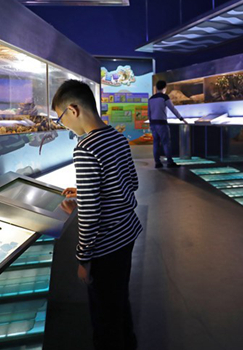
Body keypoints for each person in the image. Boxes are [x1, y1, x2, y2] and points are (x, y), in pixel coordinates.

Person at [53, 79, 142, 350]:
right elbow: (131, 183)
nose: (64, 125)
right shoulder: (117, 137)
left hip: (106, 246)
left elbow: (91, 215)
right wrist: (84, 192)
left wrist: (83, 258)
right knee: (119, 302)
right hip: (127, 233)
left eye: (61, 119)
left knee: (104, 318)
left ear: (73, 110)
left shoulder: (85, 148)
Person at [148, 80, 188, 168]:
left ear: (156, 87)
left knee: (156, 143)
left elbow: (149, 112)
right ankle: (170, 162)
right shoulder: (164, 97)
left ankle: (157, 162)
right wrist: (181, 118)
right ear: (164, 88)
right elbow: (172, 108)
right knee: (166, 143)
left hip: (153, 124)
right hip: (162, 123)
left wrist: (151, 123)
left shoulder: (151, 99)